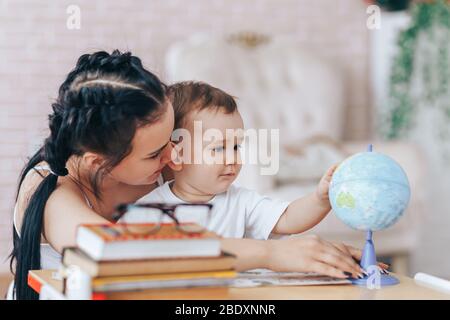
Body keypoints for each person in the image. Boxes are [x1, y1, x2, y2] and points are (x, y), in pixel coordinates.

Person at [9, 52, 378, 300]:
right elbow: (124, 250)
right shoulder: (52, 194)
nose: (174, 156)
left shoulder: (155, 171)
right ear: (96, 161)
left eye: (176, 140)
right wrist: (272, 253)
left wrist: (313, 253)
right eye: (157, 153)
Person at [135, 81, 385, 278]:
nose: (232, 158)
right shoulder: (147, 209)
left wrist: (321, 198)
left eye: (236, 147)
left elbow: (288, 218)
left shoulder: (240, 200)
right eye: (219, 148)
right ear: (178, 156)